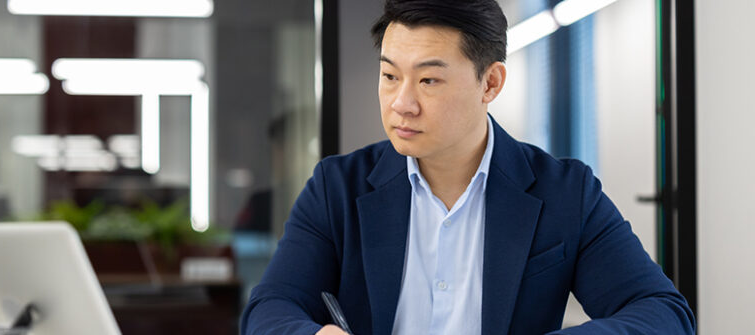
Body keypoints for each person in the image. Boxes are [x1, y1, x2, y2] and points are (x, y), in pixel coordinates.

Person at [241, 0, 696, 334]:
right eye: (390, 76)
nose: (402, 103)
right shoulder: (336, 187)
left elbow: (663, 313)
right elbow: (269, 308)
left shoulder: (565, 192)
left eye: (429, 80)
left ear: (491, 82)